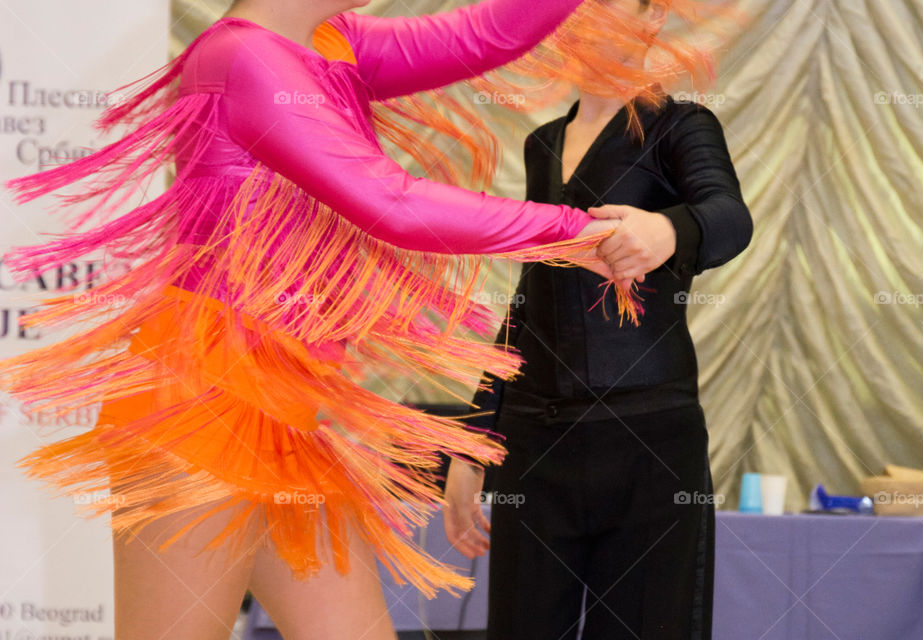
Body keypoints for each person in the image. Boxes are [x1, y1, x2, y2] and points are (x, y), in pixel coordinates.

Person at [0, 1, 659, 639]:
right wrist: (575, 232)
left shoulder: (331, 43)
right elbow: (387, 201)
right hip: (199, 405)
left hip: (285, 413)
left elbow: (482, 37)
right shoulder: (242, 58)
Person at [443, 0, 753, 638]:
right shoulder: (542, 145)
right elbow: (525, 299)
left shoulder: (680, 126)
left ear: (652, 19)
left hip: (646, 440)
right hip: (536, 443)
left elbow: (730, 215)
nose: (590, 23)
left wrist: (669, 229)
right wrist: (471, 443)